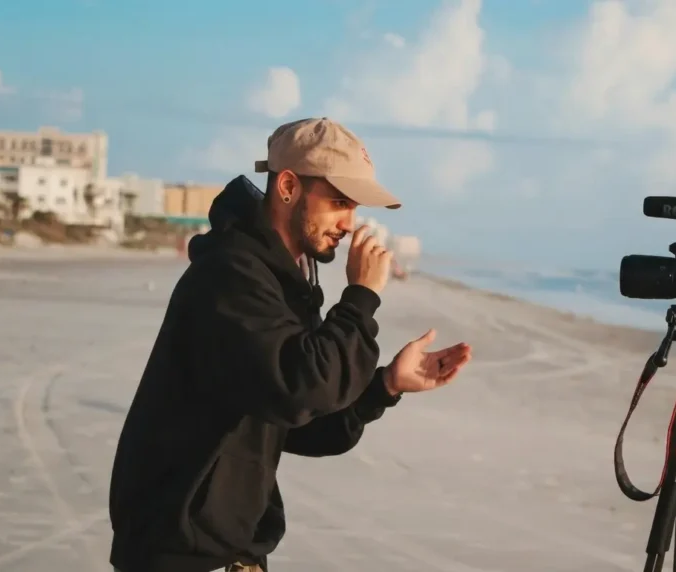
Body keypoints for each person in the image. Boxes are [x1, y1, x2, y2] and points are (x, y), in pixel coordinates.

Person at [108, 118, 472, 572]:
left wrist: (386, 387)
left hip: (231, 552)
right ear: (287, 187)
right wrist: (360, 298)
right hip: (178, 550)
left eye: (354, 206)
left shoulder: (283, 282)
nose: (349, 223)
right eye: (339, 201)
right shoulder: (231, 275)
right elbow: (302, 389)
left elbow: (301, 422)